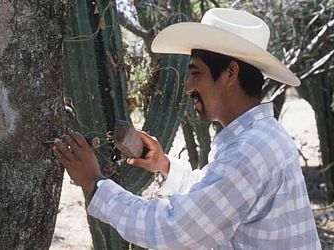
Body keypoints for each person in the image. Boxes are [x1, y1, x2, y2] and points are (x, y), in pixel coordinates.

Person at [53, 8, 321, 249]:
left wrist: (96, 184)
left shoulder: (251, 150)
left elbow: (176, 229)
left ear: (230, 74)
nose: (188, 87)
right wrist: (164, 165)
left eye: (196, 73)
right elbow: (216, 196)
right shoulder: (260, 136)